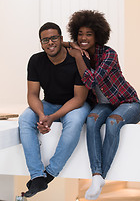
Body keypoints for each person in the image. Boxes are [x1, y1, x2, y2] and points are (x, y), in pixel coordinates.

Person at [65, 10, 140, 200]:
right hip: (105, 104)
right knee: (91, 121)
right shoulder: (80, 51)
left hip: (128, 103)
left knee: (112, 123)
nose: (84, 38)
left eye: (89, 34)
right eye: (80, 34)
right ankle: (96, 176)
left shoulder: (109, 54)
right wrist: (71, 45)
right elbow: (59, 42)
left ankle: (100, 176)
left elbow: (92, 81)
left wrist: (77, 56)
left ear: (98, 36)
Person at [18, 22, 91, 198]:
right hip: (49, 103)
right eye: (45, 40)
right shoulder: (36, 60)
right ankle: (37, 176)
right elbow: (33, 95)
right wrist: (43, 115)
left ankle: (50, 173)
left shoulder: (78, 59)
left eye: (53, 38)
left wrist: (52, 117)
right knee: (25, 119)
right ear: (41, 43)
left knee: (73, 122)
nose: (50, 43)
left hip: (75, 104)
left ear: (61, 39)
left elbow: (79, 98)